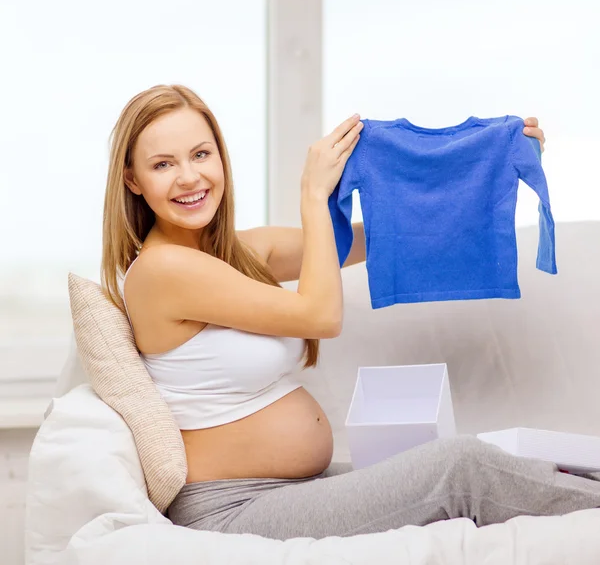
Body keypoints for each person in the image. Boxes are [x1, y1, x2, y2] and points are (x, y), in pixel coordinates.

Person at [101, 84, 599, 541]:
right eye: (163, 164)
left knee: (507, 456)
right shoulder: (163, 270)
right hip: (232, 508)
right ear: (133, 179)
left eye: (201, 154)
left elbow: (382, 239)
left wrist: (490, 159)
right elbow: (321, 315)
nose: (190, 176)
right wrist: (314, 196)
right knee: (459, 467)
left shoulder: (234, 255)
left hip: (281, 490)